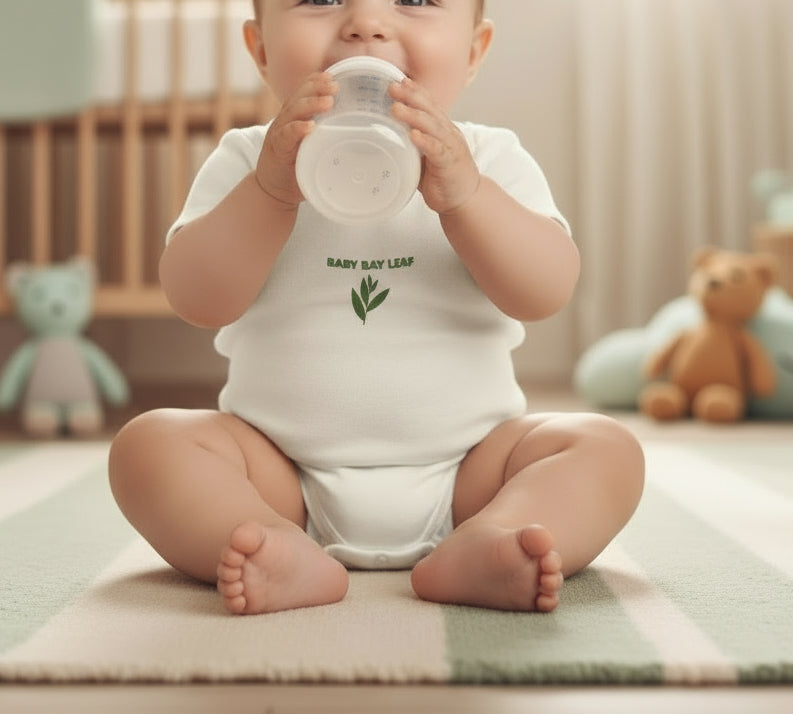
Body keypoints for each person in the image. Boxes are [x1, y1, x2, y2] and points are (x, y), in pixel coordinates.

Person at [109, 0, 645, 616]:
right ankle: (269, 542)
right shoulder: (246, 160)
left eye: (415, 0)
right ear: (260, 51)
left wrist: (465, 195)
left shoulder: (490, 159)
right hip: (279, 474)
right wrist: (270, 192)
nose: (366, 24)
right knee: (147, 446)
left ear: (472, 52)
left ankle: (493, 539)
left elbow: (545, 289)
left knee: (605, 447)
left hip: (470, 472)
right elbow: (196, 298)